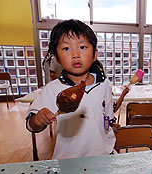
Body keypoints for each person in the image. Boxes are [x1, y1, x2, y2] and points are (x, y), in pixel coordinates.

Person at [26, 19, 118, 159]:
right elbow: (31, 124)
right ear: (56, 58)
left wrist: (111, 127)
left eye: (82, 47)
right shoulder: (53, 89)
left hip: (103, 157)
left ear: (94, 54)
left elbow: (108, 116)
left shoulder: (104, 84)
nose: (75, 54)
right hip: (69, 160)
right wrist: (38, 120)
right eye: (66, 48)